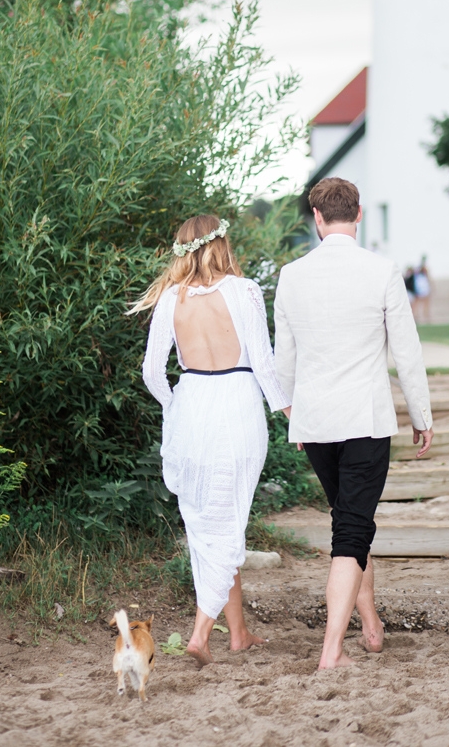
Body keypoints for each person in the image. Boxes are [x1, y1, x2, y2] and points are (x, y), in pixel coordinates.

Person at [274, 177, 433, 670]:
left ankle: (371, 625)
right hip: (364, 420)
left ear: (317, 218)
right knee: (351, 531)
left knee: (350, 522)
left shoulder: (290, 275)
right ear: (358, 214)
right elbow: (406, 352)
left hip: (317, 422)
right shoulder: (382, 270)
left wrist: (292, 415)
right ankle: (331, 651)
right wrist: (420, 415)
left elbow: (285, 359)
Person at [131, 215, 291, 667]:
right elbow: (263, 362)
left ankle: (237, 633)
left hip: (192, 406)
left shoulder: (169, 299)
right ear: (220, 243)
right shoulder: (244, 291)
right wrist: (289, 413)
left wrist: (175, 406)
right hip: (236, 405)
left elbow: (150, 372)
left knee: (211, 524)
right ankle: (202, 633)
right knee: (228, 517)